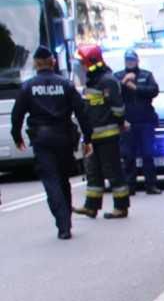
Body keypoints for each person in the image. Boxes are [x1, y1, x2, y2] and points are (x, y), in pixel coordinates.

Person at [9, 46, 92, 239]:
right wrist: (87, 138)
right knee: (63, 180)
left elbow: (17, 115)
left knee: (51, 181)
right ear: (53, 61)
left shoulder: (28, 86)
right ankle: (67, 222)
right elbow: (82, 112)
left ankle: (62, 224)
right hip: (64, 138)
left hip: (42, 140)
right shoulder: (65, 84)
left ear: (36, 64)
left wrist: (17, 137)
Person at [71, 44, 129, 220]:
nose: (81, 66)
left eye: (83, 62)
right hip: (93, 135)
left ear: (92, 61)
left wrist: (119, 123)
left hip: (107, 134)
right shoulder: (93, 80)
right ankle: (91, 206)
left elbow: (118, 108)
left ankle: (121, 207)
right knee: (93, 171)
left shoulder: (107, 80)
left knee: (113, 170)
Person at [115, 49, 161, 195]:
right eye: (127, 60)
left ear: (137, 61)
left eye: (132, 60)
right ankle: (130, 186)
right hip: (127, 122)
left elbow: (154, 90)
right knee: (128, 155)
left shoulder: (146, 75)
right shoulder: (118, 76)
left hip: (145, 121)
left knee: (148, 154)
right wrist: (124, 83)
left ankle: (151, 185)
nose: (130, 62)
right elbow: (114, 93)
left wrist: (135, 88)